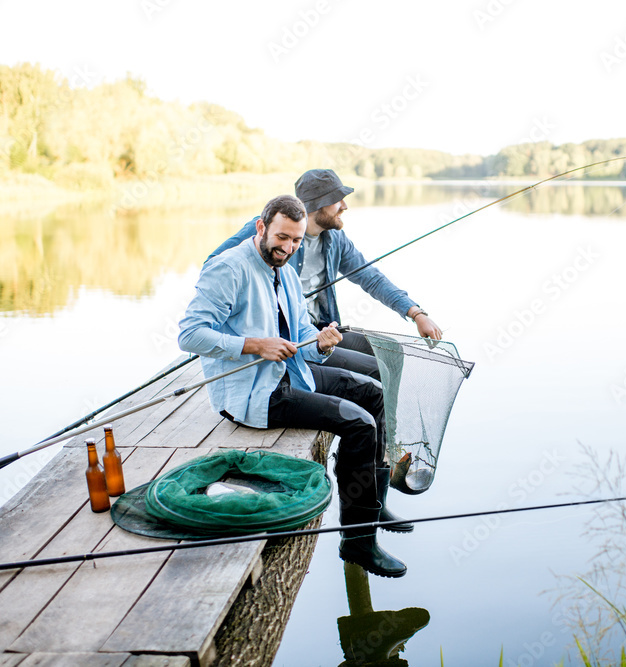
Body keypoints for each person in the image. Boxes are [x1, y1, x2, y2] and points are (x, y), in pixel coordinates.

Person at [179, 194, 411, 578]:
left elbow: (301, 331)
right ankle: (357, 543)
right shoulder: (228, 269)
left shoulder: (285, 270)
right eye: (281, 237)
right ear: (261, 227)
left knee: (373, 393)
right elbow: (190, 335)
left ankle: (372, 500)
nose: (287, 248)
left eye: (296, 241)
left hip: (293, 374)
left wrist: (320, 341)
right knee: (358, 424)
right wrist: (254, 345)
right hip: (254, 395)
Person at [207, 169, 443, 380]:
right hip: (289, 337)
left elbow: (371, 278)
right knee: (376, 369)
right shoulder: (270, 227)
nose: (344, 206)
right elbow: (213, 265)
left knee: (392, 354)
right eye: (337, 200)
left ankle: (385, 427)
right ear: (318, 204)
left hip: (322, 328)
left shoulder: (335, 239)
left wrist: (416, 313)